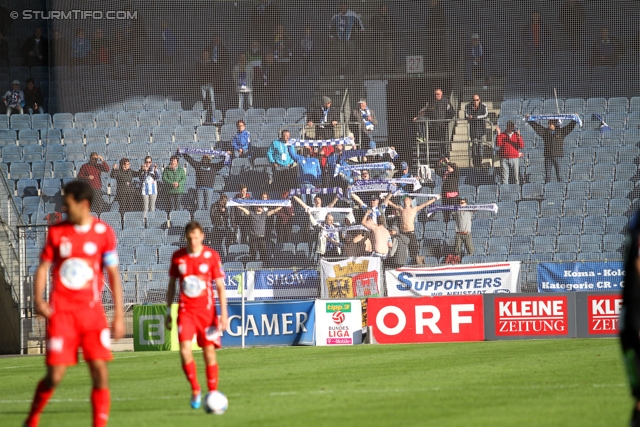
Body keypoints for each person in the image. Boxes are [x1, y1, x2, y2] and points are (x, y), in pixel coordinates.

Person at [24, 180, 124, 427]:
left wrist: (119, 315)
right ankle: (33, 418)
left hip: (92, 314)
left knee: (100, 372)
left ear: (84, 204)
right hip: (62, 315)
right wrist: (38, 299)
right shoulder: (57, 233)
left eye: (68, 204)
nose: (65, 209)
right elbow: (44, 267)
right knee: (55, 376)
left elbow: (113, 274)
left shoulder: (104, 233)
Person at [165, 221, 228, 410]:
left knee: (209, 352)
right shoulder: (178, 257)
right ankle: (195, 388)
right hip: (186, 311)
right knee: (184, 350)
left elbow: (220, 287)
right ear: (186, 237)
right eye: (190, 237)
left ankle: (213, 391)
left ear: (202, 236)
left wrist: (223, 314)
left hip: (207, 313)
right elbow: (171, 286)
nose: (193, 241)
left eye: (196, 237)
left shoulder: (211, 256)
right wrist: (169, 312)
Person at [387, 194, 440, 263]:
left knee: (414, 251)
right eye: (404, 199)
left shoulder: (414, 209)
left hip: (410, 233)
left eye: (407, 199)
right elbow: (391, 204)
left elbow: (425, 204)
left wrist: (434, 199)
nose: (406, 200)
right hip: (402, 233)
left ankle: (417, 262)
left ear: (410, 201)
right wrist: (385, 198)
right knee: (401, 250)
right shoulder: (401, 209)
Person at [527, 115, 577, 183]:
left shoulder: (561, 132)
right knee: (548, 176)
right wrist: (530, 121)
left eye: (550, 123)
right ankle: (547, 190)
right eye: (548, 123)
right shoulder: (545, 132)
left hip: (558, 156)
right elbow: (537, 127)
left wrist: (574, 120)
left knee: (559, 175)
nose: (549, 125)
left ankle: (561, 189)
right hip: (548, 156)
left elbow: (569, 128)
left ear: (554, 124)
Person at [414, 88, 455, 158]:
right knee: (421, 119)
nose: (436, 96)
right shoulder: (432, 102)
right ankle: (422, 137)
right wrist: (417, 117)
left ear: (441, 94)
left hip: (442, 125)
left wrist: (446, 121)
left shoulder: (446, 101)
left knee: (442, 142)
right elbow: (425, 110)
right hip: (433, 123)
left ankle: (443, 157)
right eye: (435, 94)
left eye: (438, 94)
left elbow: (452, 112)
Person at [329, 2, 365, 75]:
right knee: (341, 55)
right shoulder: (336, 15)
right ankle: (343, 70)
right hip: (340, 39)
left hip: (350, 39)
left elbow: (359, 23)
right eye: (341, 6)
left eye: (344, 6)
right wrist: (331, 36)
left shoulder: (352, 14)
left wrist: (361, 29)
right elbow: (331, 26)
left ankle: (351, 70)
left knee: (351, 54)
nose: (343, 8)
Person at [495, 120, 524, 185]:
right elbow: (498, 144)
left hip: (514, 158)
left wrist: (519, 137)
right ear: (507, 127)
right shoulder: (502, 135)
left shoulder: (516, 135)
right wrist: (498, 134)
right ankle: (505, 191)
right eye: (509, 126)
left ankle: (517, 190)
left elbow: (521, 146)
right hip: (504, 158)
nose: (511, 128)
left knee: (516, 176)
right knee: (504, 177)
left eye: (512, 126)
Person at [465, 94, 489, 167]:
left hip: (481, 129)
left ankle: (480, 161)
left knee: (481, 145)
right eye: (474, 100)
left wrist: (474, 117)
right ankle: (475, 162)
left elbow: (485, 115)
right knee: (474, 145)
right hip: (473, 130)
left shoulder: (483, 106)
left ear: (480, 100)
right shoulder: (468, 106)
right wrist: (471, 117)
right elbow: (467, 115)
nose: (475, 101)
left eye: (477, 100)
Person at [136, 156, 160, 221]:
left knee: (152, 207)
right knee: (145, 207)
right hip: (145, 190)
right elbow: (142, 179)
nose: (148, 163)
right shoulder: (142, 170)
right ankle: (144, 221)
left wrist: (155, 170)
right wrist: (145, 171)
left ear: (151, 162)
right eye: (147, 162)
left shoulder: (154, 169)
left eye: (149, 162)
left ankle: (152, 220)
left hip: (153, 190)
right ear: (145, 162)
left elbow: (157, 177)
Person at [437, 159, 460, 223]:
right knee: (446, 214)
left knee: (454, 214)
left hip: (453, 198)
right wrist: (439, 164)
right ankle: (446, 225)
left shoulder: (455, 174)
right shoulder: (445, 174)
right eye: (448, 167)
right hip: (445, 197)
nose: (448, 168)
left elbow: (456, 169)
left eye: (450, 167)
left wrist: (448, 162)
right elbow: (437, 171)